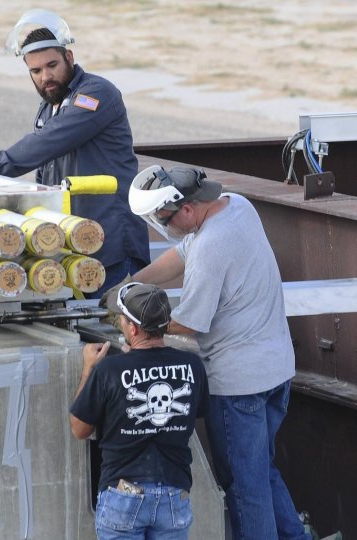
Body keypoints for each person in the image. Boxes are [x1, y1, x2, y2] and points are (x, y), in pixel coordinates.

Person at [122, 165, 312, 540]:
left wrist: (134, 320)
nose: (164, 227)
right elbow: (181, 254)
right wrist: (131, 284)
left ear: (186, 209)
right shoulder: (236, 205)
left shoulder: (211, 246)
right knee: (261, 472)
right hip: (276, 370)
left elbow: (189, 322)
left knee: (243, 487)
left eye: (164, 220)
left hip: (239, 385)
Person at [0, 10, 149, 297]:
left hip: (111, 249)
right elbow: (45, 174)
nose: (45, 76)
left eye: (52, 65)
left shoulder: (96, 94)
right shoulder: (50, 105)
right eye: (35, 71)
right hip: (73, 245)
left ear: (69, 57)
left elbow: (49, 142)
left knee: (110, 322)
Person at [69, 282, 208, 540]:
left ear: (132, 329)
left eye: (122, 320)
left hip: (123, 495)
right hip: (174, 495)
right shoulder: (193, 366)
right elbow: (196, 410)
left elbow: (79, 429)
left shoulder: (108, 370)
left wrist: (89, 368)